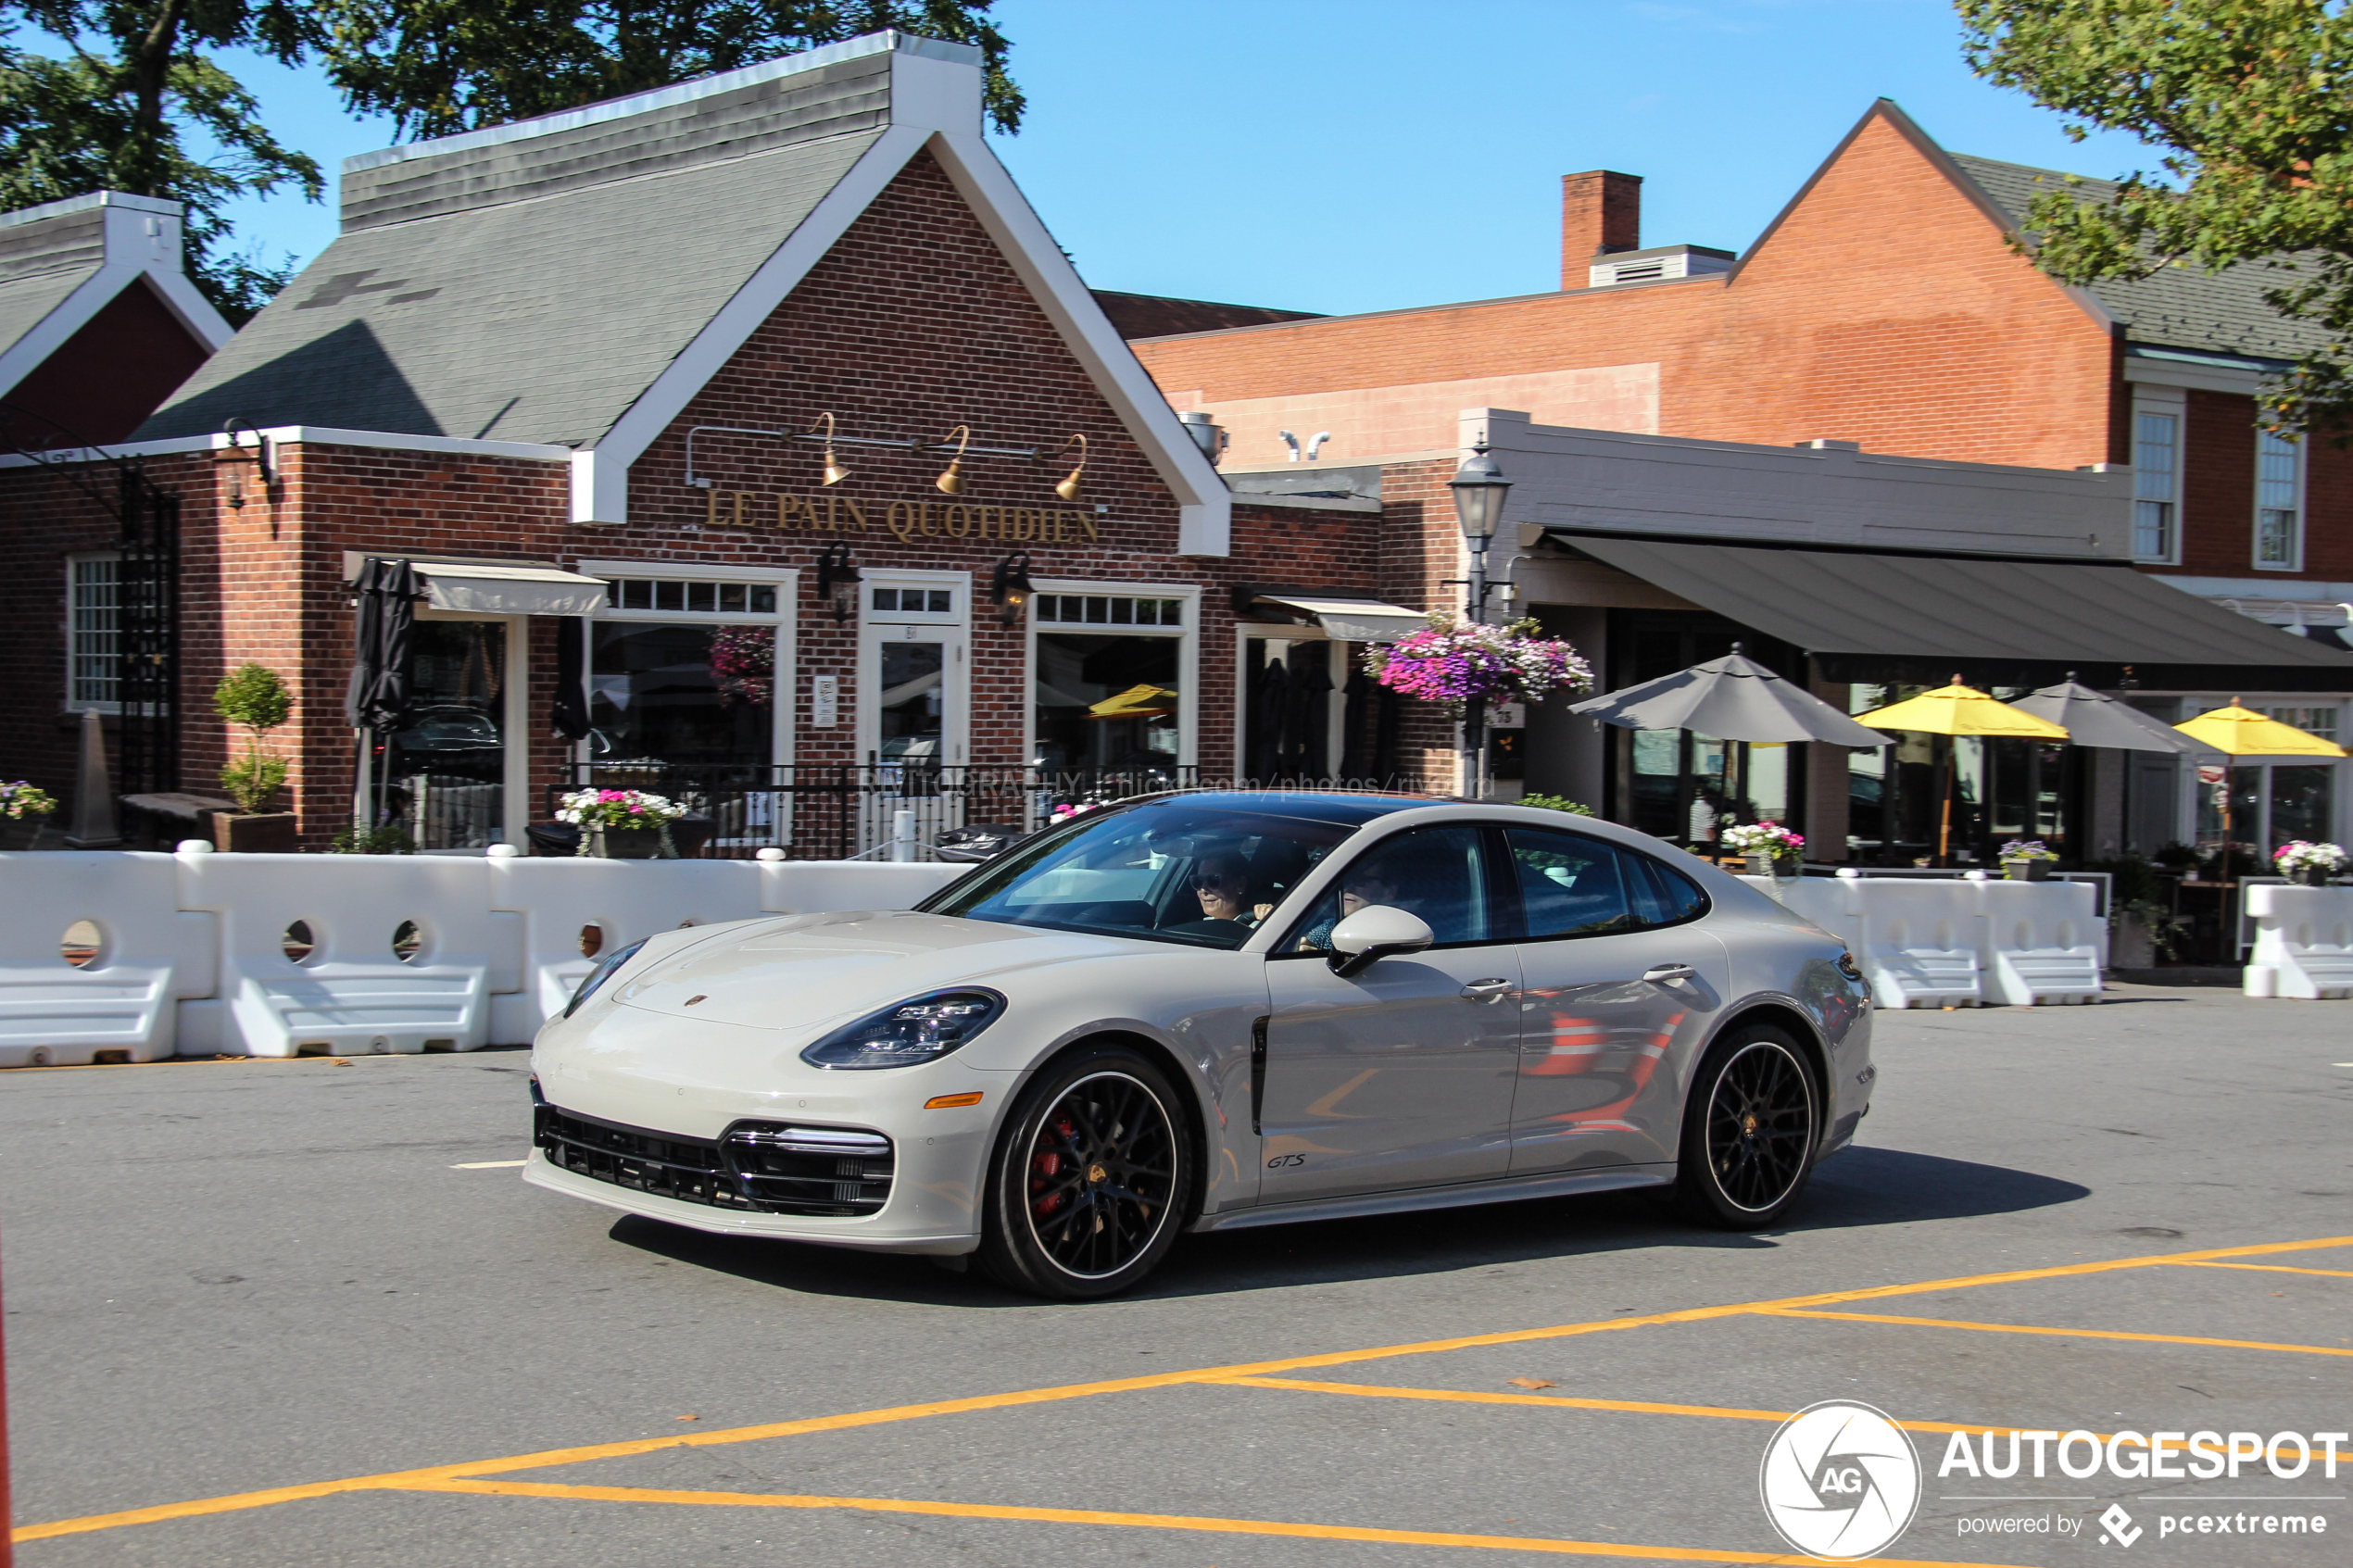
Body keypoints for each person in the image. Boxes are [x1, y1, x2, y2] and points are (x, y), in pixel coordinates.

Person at [1297, 867, 1402, 953]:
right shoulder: (1325, 932)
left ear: (1390, 892)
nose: (1348, 888)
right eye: (1345, 881)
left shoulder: (1403, 934)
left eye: (1361, 881)